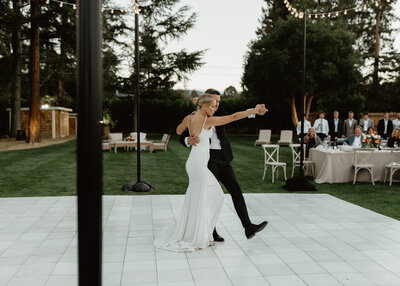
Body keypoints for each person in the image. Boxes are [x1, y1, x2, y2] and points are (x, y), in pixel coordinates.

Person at [154, 94, 268, 252]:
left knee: (198, 197)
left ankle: (200, 230)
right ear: (205, 106)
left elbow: (179, 130)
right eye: (214, 106)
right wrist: (188, 140)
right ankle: (202, 233)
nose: (216, 108)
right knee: (214, 196)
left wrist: (190, 135)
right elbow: (234, 117)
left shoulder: (190, 117)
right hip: (201, 164)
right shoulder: (208, 121)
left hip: (194, 163)